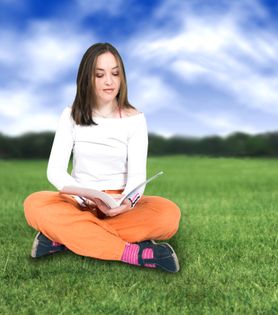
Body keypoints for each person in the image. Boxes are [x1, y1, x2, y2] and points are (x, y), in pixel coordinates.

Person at [23, 43, 181, 273]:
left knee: (168, 214)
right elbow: (55, 171)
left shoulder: (136, 119)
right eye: (100, 74)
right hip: (79, 201)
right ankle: (134, 253)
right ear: (87, 78)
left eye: (115, 73)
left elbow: (137, 174)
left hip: (118, 206)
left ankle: (64, 238)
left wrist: (128, 202)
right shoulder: (70, 115)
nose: (109, 81)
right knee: (34, 204)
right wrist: (85, 197)